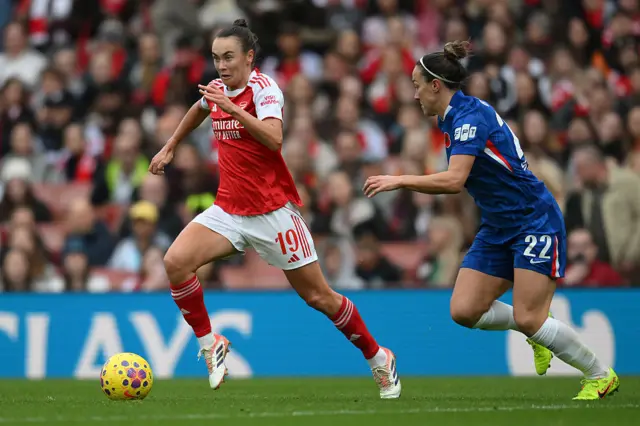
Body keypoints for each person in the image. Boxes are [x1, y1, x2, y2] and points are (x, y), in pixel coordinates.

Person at [149, 19, 400, 399]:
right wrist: (171, 145)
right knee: (175, 263)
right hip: (229, 210)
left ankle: (378, 357)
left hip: (272, 213)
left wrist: (230, 108)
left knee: (319, 298)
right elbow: (198, 109)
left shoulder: (265, 90)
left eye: (229, 57)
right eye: (217, 58)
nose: (221, 65)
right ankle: (209, 344)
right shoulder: (218, 91)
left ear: (249, 57)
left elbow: (273, 139)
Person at [363, 41, 618, 401]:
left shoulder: (469, 119)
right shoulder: (448, 117)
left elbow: (454, 181)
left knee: (531, 317)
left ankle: (600, 374)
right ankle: (537, 332)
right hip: (499, 225)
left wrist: (400, 179)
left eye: (417, 84)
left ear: (436, 85)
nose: (414, 93)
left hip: (533, 220)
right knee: (464, 311)